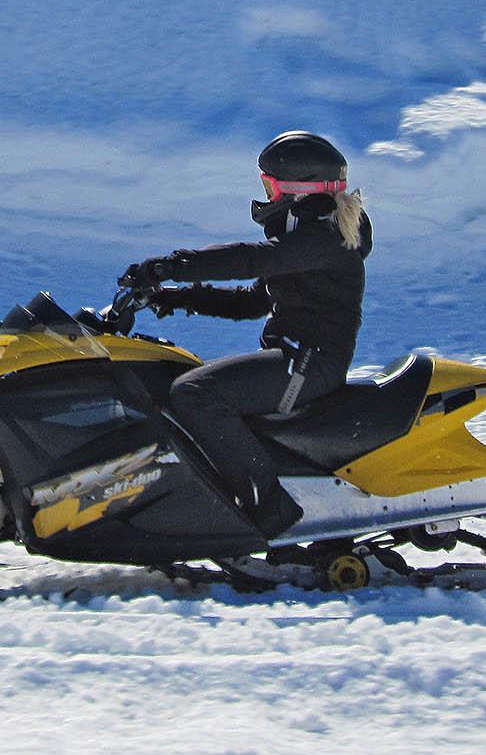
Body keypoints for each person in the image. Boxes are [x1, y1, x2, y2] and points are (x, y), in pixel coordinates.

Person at [123, 131, 371, 537]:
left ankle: (267, 509)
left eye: (269, 186)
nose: (266, 195)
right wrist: (173, 297)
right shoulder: (306, 238)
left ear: (297, 189)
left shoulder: (325, 239)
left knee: (194, 392)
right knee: (176, 379)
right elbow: (250, 302)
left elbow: (253, 260)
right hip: (297, 357)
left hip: (309, 364)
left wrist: (173, 265)